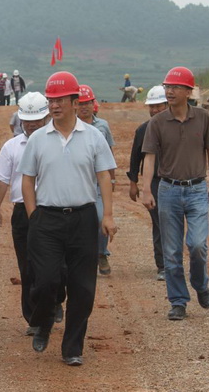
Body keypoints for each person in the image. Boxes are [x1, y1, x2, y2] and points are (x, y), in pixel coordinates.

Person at [18, 71, 117, 366]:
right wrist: (34, 215)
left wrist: (108, 215)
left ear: (75, 102)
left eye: (60, 100)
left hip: (83, 218)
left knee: (83, 287)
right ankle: (43, 321)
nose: (54, 105)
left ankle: (72, 347)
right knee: (45, 280)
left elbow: (104, 177)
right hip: (46, 219)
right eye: (51, 100)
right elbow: (27, 180)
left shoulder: (94, 136)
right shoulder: (38, 138)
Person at [141, 66, 209, 321]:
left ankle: (200, 284)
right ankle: (178, 301)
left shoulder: (203, 117)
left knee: (197, 244)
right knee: (172, 251)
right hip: (168, 191)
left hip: (197, 189)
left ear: (188, 91)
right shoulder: (157, 122)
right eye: (168, 87)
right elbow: (149, 158)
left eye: (175, 87)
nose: (170, 91)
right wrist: (146, 189)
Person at [0, 92, 51, 335]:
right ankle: (34, 318)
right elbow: (2, 180)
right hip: (22, 213)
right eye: (27, 120)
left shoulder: (57, 143)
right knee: (27, 267)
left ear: (46, 118)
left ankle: (54, 300)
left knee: (56, 266)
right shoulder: (12, 147)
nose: (32, 124)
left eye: (37, 120)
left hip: (52, 211)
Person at [126, 86, 169, 281]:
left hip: (175, 182)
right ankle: (163, 265)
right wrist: (133, 183)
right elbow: (135, 158)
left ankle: (173, 261)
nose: (154, 110)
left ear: (167, 105)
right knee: (159, 223)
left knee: (174, 223)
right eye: (152, 106)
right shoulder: (143, 130)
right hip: (154, 183)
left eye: (158, 106)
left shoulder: (177, 128)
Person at [77, 84, 116, 275]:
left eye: (88, 103)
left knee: (101, 218)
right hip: (79, 182)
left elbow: (109, 153)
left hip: (99, 182)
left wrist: (112, 179)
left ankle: (101, 253)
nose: (84, 107)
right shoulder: (70, 127)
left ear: (94, 104)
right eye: (81, 103)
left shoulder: (103, 126)